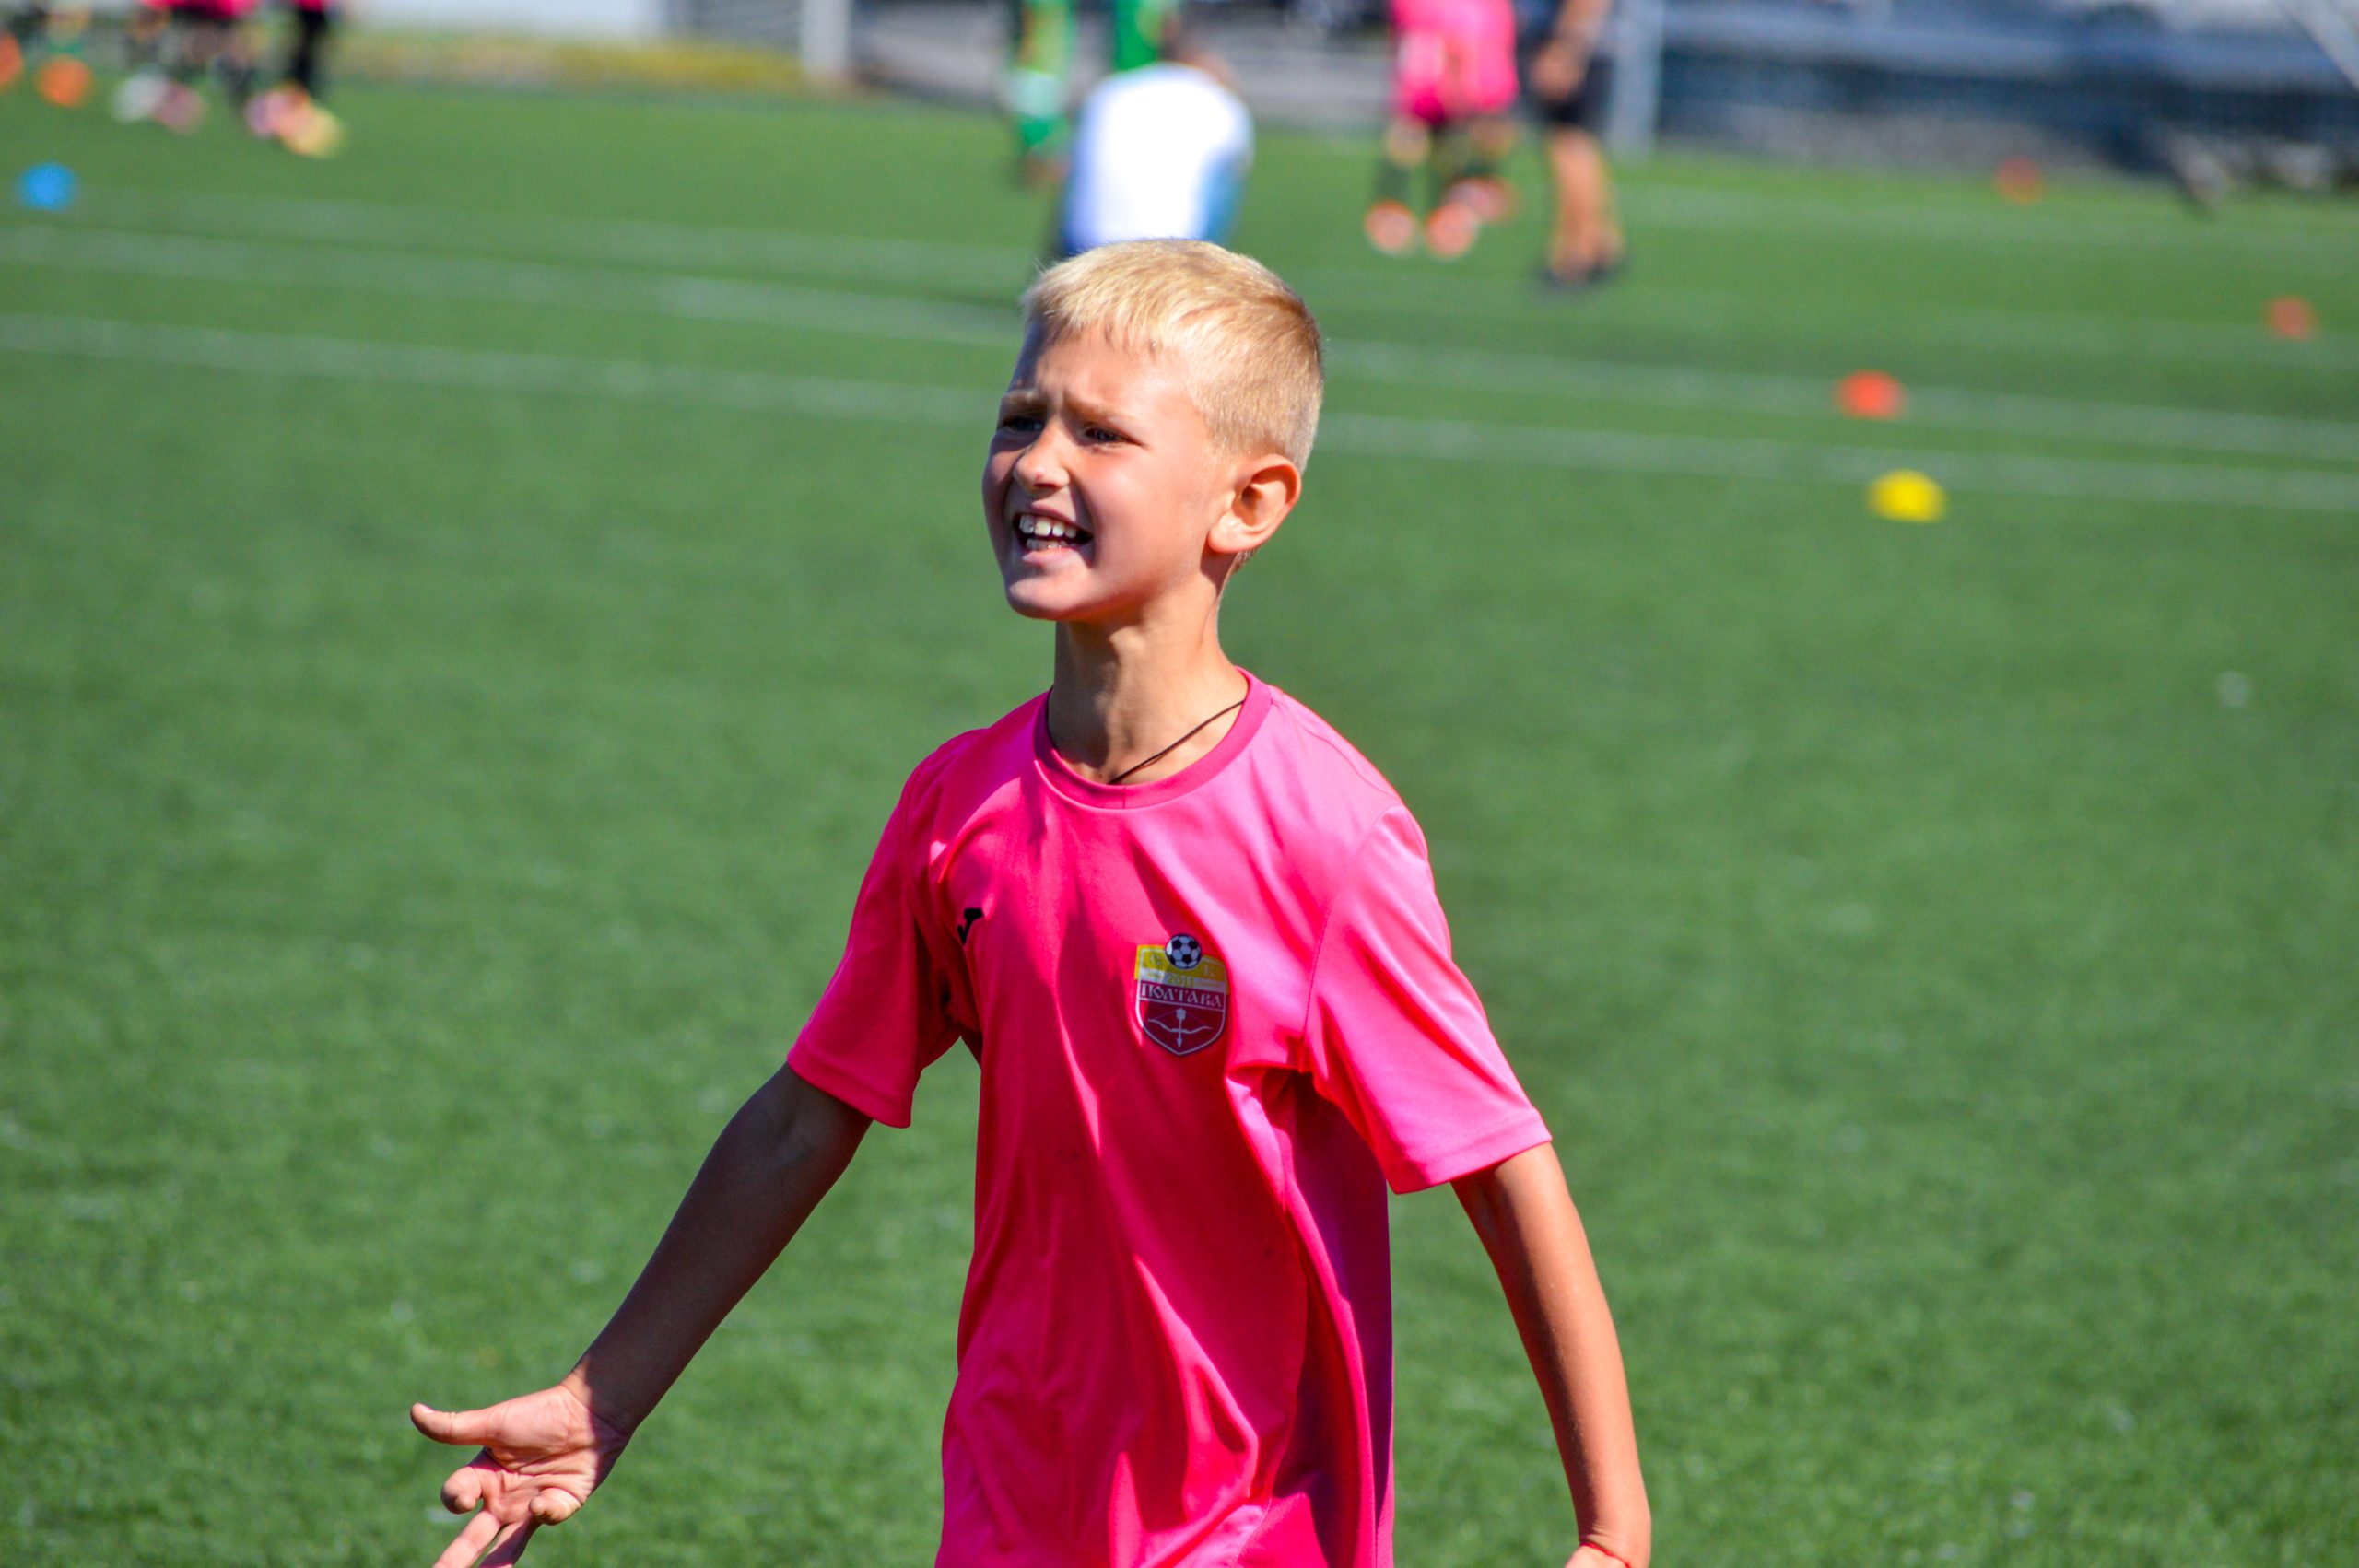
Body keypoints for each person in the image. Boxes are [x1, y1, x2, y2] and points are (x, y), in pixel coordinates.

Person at [409, 240, 1651, 1568]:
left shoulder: (1323, 837)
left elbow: (1500, 1164)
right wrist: (602, 1398)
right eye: (1020, 418)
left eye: (1101, 433)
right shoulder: (962, 807)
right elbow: (801, 1118)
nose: (1039, 463)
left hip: (1249, 1525)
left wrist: (1613, 1530)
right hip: (1011, 1504)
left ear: (1248, 503)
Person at [1055, 39, 1251, 257]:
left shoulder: (1109, 90)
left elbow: (1073, 174)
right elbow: (1235, 173)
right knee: (1224, 176)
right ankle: (1209, 261)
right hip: (1168, 249)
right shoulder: (1221, 102)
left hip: (1083, 241)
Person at [1366, 0, 1521, 259]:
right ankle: (1407, 211)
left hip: (1471, 54)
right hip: (1435, 59)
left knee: (1465, 139)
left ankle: (1455, 205)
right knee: (1416, 138)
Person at [1527, 0, 1624, 288]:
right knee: (1574, 144)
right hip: (1585, 44)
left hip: (1579, 47)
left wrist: (1566, 50)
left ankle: (1577, 250)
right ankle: (1599, 240)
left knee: (1569, 145)